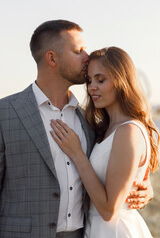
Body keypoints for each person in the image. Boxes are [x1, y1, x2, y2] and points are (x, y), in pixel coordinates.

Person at [0, 20, 153, 238]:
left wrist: (141, 185)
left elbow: (117, 162)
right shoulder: (4, 113)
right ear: (52, 58)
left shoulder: (91, 122)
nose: (87, 56)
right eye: (78, 51)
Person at [50, 46, 159, 237]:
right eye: (90, 80)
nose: (92, 87)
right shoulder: (106, 128)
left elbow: (109, 210)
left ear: (121, 80)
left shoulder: (128, 131)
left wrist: (77, 154)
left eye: (101, 80)